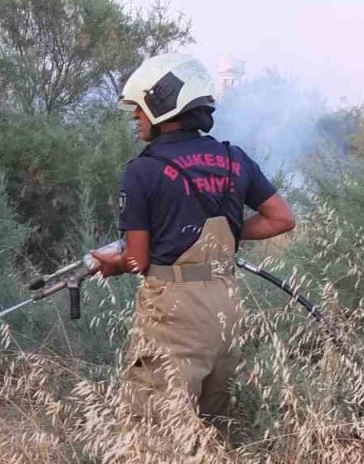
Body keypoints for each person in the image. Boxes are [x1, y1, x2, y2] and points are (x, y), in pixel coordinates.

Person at [91, 53, 296, 430]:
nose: (135, 117)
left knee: (156, 428)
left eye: (139, 109)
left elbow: (136, 261)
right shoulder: (234, 158)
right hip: (226, 304)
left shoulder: (142, 170)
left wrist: (110, 264)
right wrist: (227, 230)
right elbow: (282, 218)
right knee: (214, 425)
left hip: (174, 309)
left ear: (164, 107)